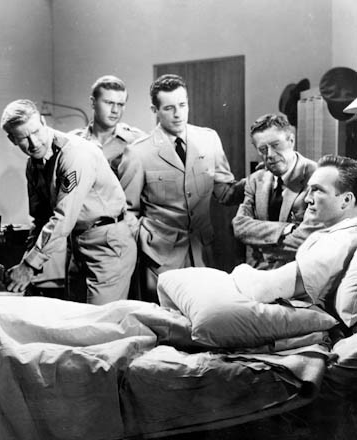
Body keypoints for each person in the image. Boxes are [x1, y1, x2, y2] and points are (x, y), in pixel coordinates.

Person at [118, 74, 244, 302]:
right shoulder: (138, 152)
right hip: (159, 256)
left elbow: (225, 193)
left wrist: (258, 181)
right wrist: (145, 244)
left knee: (204, 312)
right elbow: (127, 211)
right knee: (164, 318)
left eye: (182, 105)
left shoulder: (208, 139)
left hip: (202, 252)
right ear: (155, 110)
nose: (178, 114)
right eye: (169, 108)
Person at [0, 99, 137, 305]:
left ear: (43, 122)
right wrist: (26, 262)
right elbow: (40, 219)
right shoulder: (33, 165)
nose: (34, 143)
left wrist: (29, 266)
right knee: (76, 316)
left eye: (36, 132)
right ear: (12, 140)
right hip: (78, 243)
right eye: (23, 138)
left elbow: (63, 218)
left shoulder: (75, 154)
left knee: (100, 320)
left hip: (108, 244)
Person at [232, 155, 357, 306]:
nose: (307, 199)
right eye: (309, 190)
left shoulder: (336, 242)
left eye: (317, 190)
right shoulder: (341, 233)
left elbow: (262, 290)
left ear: (346, 200)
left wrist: (238, 272)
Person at [232, 113, 323, 269]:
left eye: (275, 145)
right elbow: (240, 226)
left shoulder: (318, 177)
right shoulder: (255, 180)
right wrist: (286, 229)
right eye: (263, 149)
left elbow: (311, 239)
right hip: (259, 272)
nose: (270, 155)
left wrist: (261, 244)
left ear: (291, 141)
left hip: (299, 273)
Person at [70, 75, 145, 177]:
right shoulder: (72, 141)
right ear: (93, 102)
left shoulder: (137, 141)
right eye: (109, 103)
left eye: (120, 104)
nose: (115, 110)